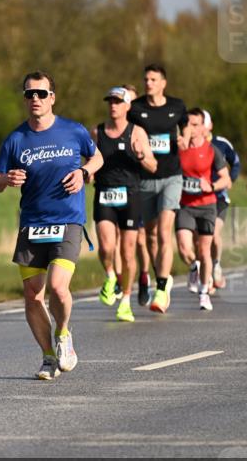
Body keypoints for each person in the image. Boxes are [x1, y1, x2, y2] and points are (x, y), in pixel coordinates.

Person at [0, 71, 103, 380]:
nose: (35, 99)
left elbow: (98, 158)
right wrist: (6, 179)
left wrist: (84, 172)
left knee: (57, 287)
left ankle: (64, 334)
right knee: (32, 296)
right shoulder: (16, 139)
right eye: (30, 94)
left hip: (67, 220)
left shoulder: (73, 131)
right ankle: (48, 357)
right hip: (32, 224)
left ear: (52, 97)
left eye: (41, 93)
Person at [127, 63, 190, 313]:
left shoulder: (177, 106)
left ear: (163, 82)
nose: (148, 83)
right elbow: (126, 132)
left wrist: (184, 135)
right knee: (150, 236)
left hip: (172, 176)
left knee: (165, 231)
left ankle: (162, 288)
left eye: (153, 79)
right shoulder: (136, 109)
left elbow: (185, 123)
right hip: (144, 179)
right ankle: (157, 275)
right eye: (146, 79)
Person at [91, 86, 157, 322]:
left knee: (128, 251)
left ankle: (126, 300)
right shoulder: (97, 132)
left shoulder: (137, 132)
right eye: (110, 101)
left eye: (118, 102)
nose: (113, 105)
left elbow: (153, 166)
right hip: (104, 193)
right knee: (107, 247)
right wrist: (88, 172)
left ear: (127, 106)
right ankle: (110, 276)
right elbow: (91, 159)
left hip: (130, 195)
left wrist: (140, 155)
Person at [175, 108, 232, 311]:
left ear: (202, 128)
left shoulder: (211, 150)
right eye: (188, 124)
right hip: (185, 205)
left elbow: (226, 178)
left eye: (195, 124)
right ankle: (193, 267)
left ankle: (204, 292)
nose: (191, 128)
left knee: (204, 250)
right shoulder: (179, 149)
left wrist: (212, 186)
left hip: (207, 206)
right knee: (183, 247)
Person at [201, 110, 240, 289]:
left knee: (214, 235)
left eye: (203, 123)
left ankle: (216, 265)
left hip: (219, 197)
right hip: (198, 199)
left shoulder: (221, 143)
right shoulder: (190, 145)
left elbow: (236, 162)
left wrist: (230, 179)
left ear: (210, 125)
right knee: (201, 240)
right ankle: (206, 275)